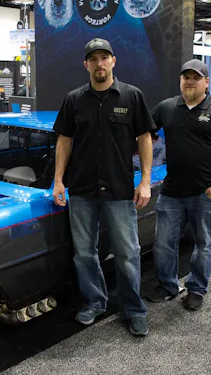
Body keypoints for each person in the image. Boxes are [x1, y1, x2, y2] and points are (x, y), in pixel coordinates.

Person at [52, 38, 155, 336]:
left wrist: (145, 181)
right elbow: (64, 141)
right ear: (86, 64)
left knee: (127, 253)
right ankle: (95, 301)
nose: (100, 63)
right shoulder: (74, 99)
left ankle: (133, 309)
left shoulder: (132, 96)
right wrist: (58, 180)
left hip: (119, 190)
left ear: (113, 61)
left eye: (104, 58)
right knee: (84, 253)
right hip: (81, 190)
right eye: (94, 59)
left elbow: (145, 138)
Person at [146, 59, 211, 311]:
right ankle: (167, 285)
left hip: (206, 194)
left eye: (196, 77)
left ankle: (197, 289)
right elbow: (144, 131)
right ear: (180, 80)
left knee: (204, 245)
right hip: (171, 192)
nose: (190, 81)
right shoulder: (167, 107)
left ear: (207, 82)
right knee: (164, 243)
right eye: (186, 77)